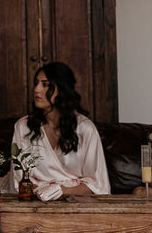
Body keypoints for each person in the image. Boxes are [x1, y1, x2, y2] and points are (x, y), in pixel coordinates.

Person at [11, 62, 110, 200]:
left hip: (75, 201)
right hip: (34, 200)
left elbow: (98, 184)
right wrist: (42, 192)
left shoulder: (85, 129)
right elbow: (18, 179)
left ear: (62, 89)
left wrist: (61, 191)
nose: (36, 89)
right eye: (36, 83)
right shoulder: (23, 127)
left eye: (45, 84)